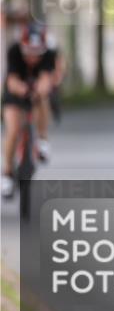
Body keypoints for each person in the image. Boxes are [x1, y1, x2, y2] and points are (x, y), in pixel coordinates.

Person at [2, 22, 58, 198]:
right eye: (29, 53)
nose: (32, 58)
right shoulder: (14, 51)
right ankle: (8, 172)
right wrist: (23, 89)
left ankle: (42, 140)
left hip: (36, 92)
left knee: (43, 99)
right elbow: (11, 81)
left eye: (37, 54)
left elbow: (46, 79)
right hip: (15, 92)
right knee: (13, 130)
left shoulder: (48, 55)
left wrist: (39, 90)